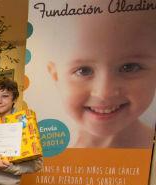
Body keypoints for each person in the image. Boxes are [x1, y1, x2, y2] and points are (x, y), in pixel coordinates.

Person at [45, 9, 156, 148]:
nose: (104, 92)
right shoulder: (43, 153)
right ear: (55, 74)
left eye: (129, 67)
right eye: (83, 71)